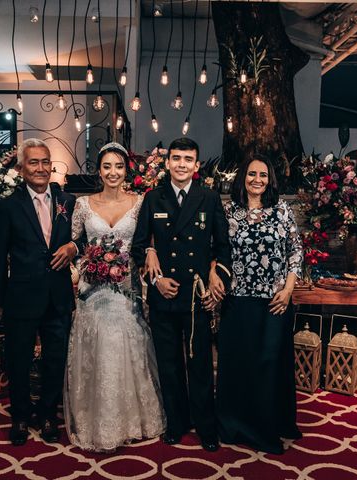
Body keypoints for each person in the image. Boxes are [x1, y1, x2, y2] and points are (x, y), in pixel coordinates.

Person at [64, 142, 165, 452]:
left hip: (127, 289)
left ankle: (132, 420)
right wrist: (79, 267)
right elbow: (73, 243)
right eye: (107, 166)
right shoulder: (82, 204)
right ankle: (94, 419)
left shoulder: (140, 203)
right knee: (96, 347)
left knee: (126, 347)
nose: (113, 172)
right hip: (92, 291)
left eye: (118, 166)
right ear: (99, 170)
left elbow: (149, 241)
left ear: (126, 171)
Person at [131, 137, 231, 452]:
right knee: (169, 364)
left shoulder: (209, 198)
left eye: (188, 159)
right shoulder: (153, 198)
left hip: (196, 298)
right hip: (164, 295)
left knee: (200, 364)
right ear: (168, 162)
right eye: (176, 158)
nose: (182, 164)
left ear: (197, 165)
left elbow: (223, 246)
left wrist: (217, 276)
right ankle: (175, 423)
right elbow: (137, 246)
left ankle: (206, 427)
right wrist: (156, 278)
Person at [0, 138, 77, 446]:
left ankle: (48, 414)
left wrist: (73, 246)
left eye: (44, 162)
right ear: (21, 168)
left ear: (51, 165)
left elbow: (82, 238)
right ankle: (21, 416)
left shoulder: (68, 201)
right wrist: (0, 299)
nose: (40, 168)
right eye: (33, 163)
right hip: (21, 297)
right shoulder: (8, 206)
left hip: (58, 295)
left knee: (56, 358)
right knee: (19, 359)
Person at [215, 154, 303, 455]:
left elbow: (296, 251)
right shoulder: (229, 212)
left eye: (263, 175)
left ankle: (267, 428)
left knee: (268, 364)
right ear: (243, 178)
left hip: (274, 302)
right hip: (237, 301)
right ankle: (235, 424)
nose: (257, 180)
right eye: (252, 174)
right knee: (239, 364)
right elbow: (216, 250)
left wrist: (289, 289)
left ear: (270, 180)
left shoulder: (281, 210)